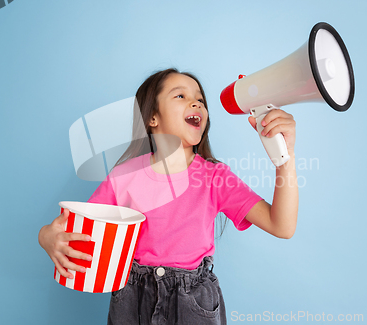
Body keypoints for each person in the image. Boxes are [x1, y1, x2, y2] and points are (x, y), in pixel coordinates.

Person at [38, 68, 299, 324]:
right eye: (181, 96)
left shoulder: (215, 178)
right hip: (131, 301)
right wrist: (46, 236)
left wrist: (284, 158)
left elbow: (282, 226)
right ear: (153, 117)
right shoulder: (123, 176)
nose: (196, 102)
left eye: (200, 99)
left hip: (192, 304)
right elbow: (77, 228)